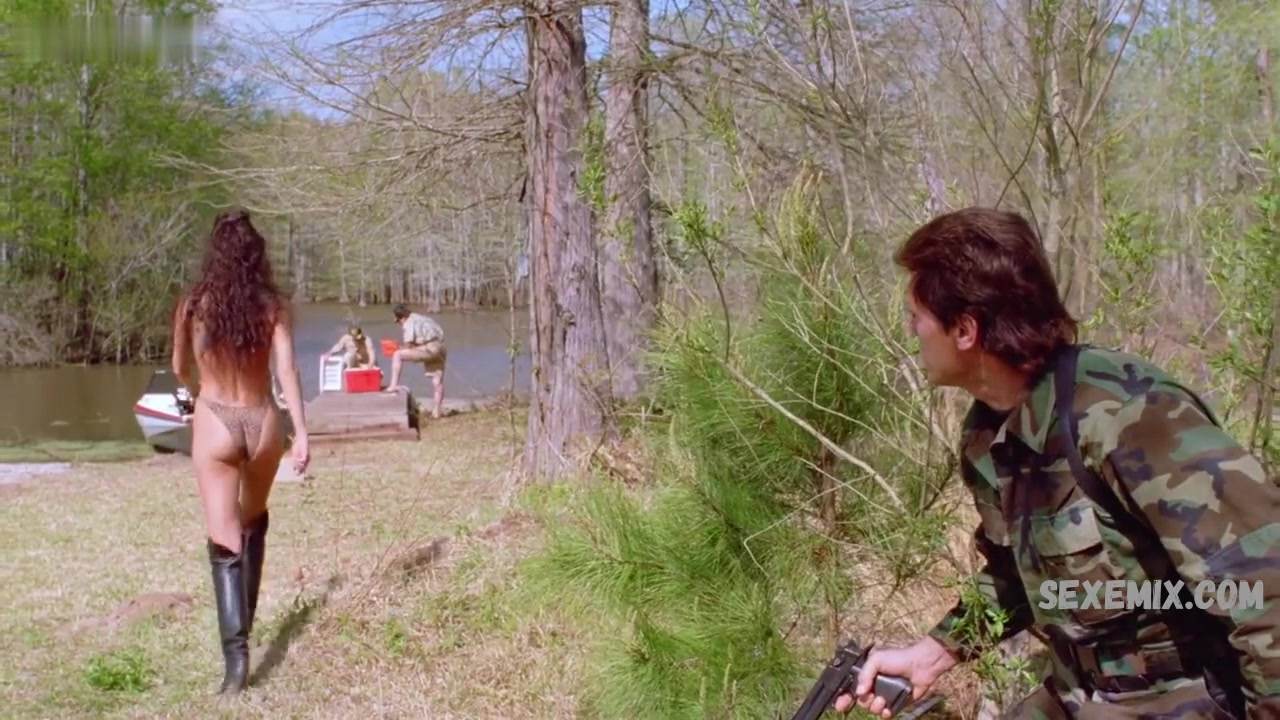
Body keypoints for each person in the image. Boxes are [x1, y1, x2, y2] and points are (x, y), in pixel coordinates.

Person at [837, 208, 1279, 718]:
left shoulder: (1130, 416)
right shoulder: (988, 435)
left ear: (964, 329)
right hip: (1077, 691)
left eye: (916, 316)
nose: (911, 329)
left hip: (1179, 697)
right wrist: (932, 654)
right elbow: (1022, 575)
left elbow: (1262, 583)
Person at [170, 208, 309, 696]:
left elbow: (179, 369)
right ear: (257, 255)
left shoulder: (193, 304)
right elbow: (287, 373)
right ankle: (245, 624)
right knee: (252, 522)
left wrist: (193, 398)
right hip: (263, 421)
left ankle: (236, 666)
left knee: (225, 541)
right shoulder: (273, 306)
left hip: (215, 419)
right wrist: (303, 433)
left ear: (214, 252)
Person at [385, 303, 446, 419]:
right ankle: (436, 412)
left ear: (402, 317)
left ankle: (393, 386)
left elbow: (408, 345)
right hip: (440, 346)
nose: (400, 324)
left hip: (428, 348)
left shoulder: (408, 323)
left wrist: (397, 347)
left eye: (399, 321)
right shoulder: (423, 318)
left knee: (397, 355)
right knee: (437, 381)